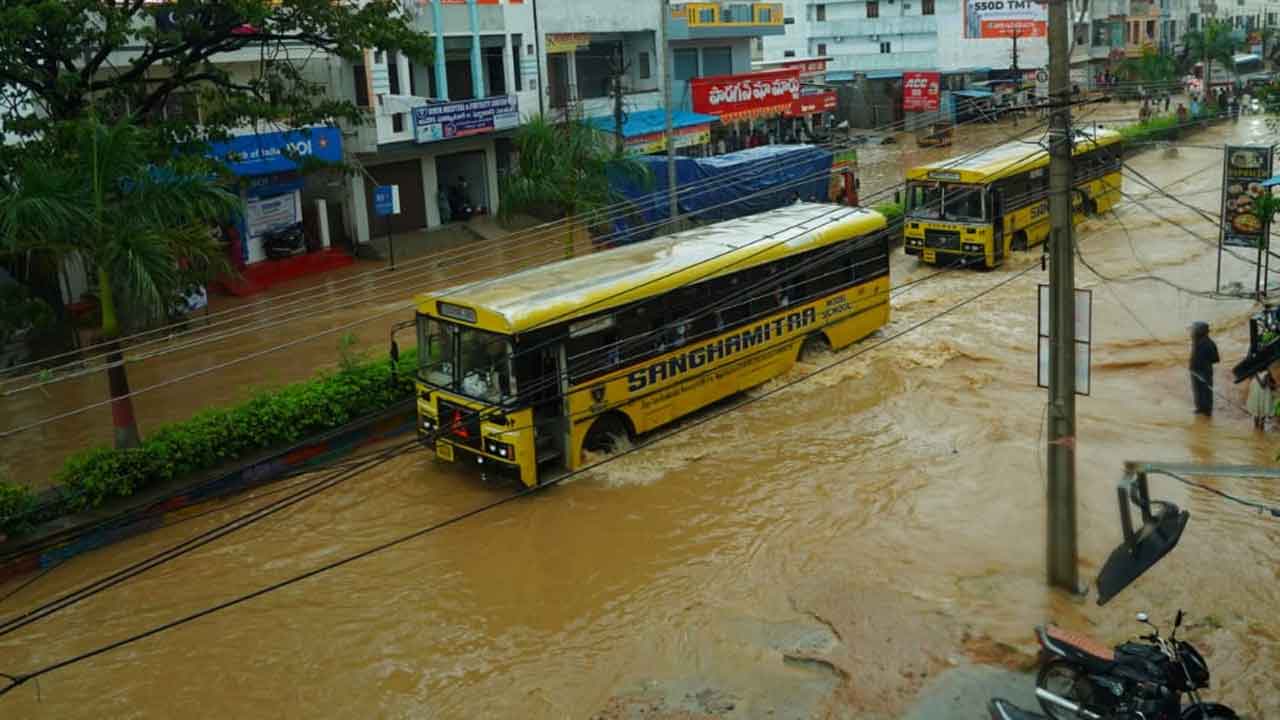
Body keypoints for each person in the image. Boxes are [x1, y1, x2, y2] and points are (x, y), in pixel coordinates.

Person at [1189, 321, 1220, 416]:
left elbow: (1216, 359)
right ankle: (1200, 409)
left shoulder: (1209, 344)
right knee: (1197, 391)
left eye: (1193, 330)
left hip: (1204, 372)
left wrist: (1204, 362)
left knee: (1205, 392)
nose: (1191, 332)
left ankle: (1207, 411)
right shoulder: (1196, 342)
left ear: (1199, 331)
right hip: (1195, 371)